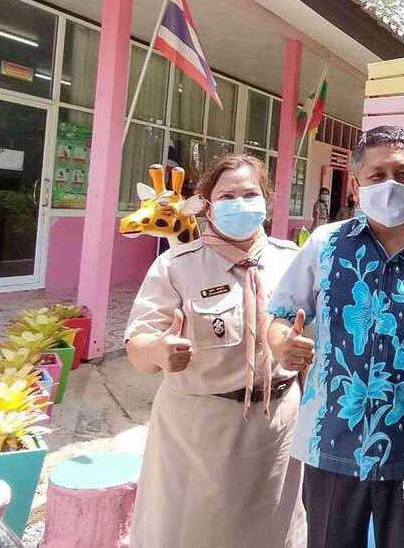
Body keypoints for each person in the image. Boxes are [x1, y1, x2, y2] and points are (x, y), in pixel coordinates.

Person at [267, 125, 404, 548]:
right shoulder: (324, 245)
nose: (391, 184)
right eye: (378, 175)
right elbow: (281, 316)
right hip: (330, 442)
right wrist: (283, 343)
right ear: (357, 186)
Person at [124, 153, 306, 548]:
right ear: (207, 205)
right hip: (198, 435)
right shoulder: (175, 266)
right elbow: (137, 345)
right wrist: (158, 350)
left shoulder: (293, 261)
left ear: (266, 200)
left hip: (275, 430)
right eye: (227, 196)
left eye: (250, 194)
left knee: (274, 533)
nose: (240, 203)